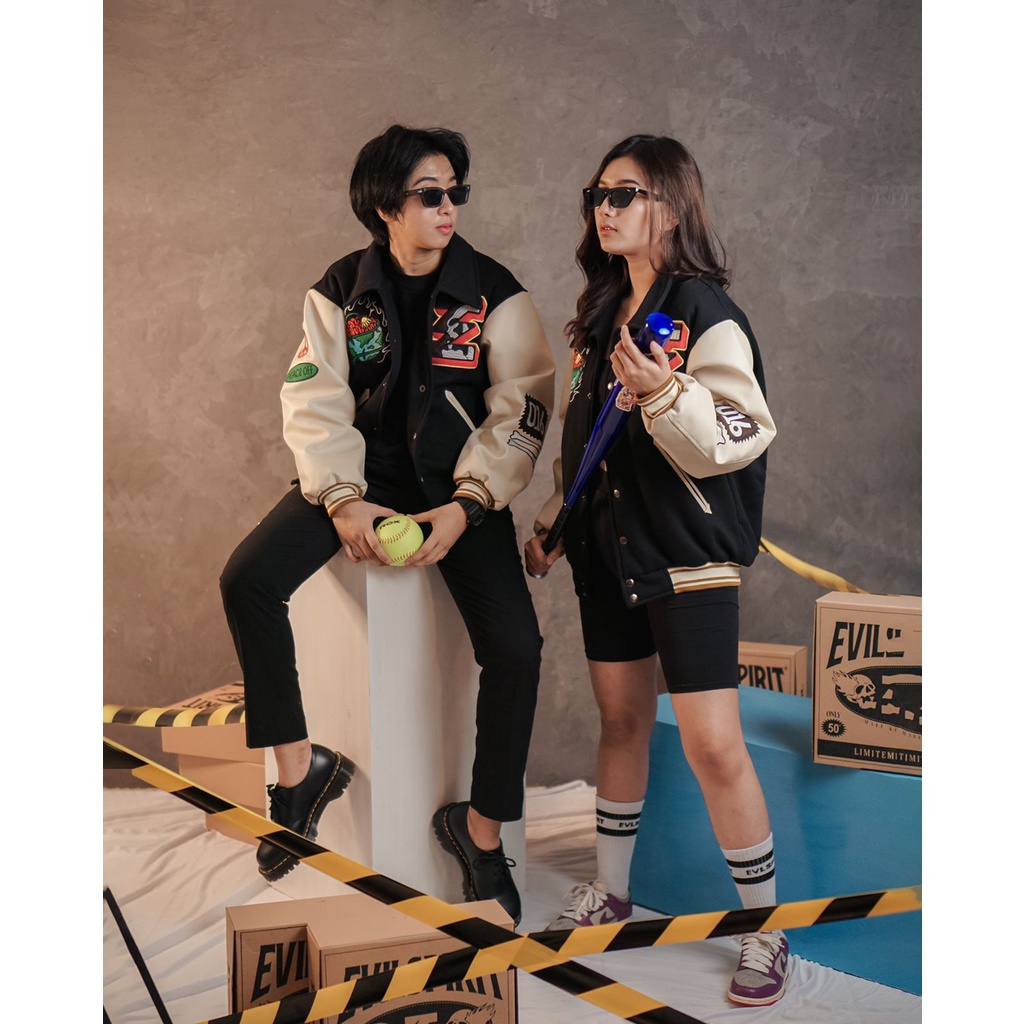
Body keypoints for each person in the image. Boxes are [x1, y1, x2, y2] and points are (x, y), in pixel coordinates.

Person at [220, 124, 555, 928]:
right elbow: (314, 400)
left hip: (459, 493)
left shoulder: (496, 292)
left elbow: (521, 409)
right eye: (430, 194)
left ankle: (480, 833)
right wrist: (342, 499)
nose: (449, 207)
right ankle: (299, 772)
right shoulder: (340, 290)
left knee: (517, 649)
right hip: (357, 484)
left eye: (456, 192)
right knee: (247, 580)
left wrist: (468, 504)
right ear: (384, 206)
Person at [525, 134, 786, 1006]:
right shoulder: (599, 318)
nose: (603, 209)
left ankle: (766, 931)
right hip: (608, 554)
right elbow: (587, 446)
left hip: (687, 557)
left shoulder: (707, 314)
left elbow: (739, 433)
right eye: (596, 194)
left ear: (670, 206)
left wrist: (664, 392)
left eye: (623, 194)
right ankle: (612, 892)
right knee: (621, 721)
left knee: (714, 744)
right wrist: (556, 522)